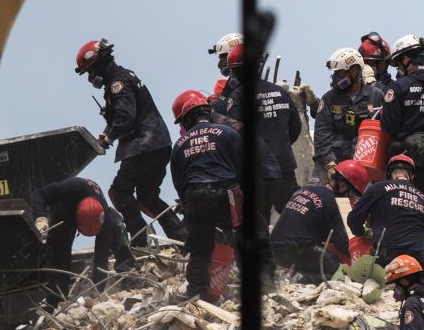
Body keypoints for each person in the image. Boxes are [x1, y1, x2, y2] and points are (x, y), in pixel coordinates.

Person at [74, 39, 186, 246]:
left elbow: (125, 116)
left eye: (90, 72)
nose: (90, 79)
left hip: (143, 146)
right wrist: (108, 131)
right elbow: (124, 114)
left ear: (98, 65)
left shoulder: (117, 83)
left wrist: (108, 138)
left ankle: (140, 241)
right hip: (159, 144)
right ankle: (182, 237)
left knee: (119, 191)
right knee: (147, 196)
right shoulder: (125, 76)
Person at [169, 90, 249, 300]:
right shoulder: (228, 133)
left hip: (196, 196)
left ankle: (196, 291)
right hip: (228, 191)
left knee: (199, 247)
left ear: (187, 120)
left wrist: (187, 203)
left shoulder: (179, 144)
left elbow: (179, 181)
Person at [219, 43, 302, 220]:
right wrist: (281, 144)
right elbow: (296, 127)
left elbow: (234, 134)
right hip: (284, 166)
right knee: (296, 216)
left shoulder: (237, 97)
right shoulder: (280, 92)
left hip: (258, 172)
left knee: (258, 223)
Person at [380, 35, 424, 221]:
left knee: (405, 209)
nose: (398, 68)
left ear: (405, 59)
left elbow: (389, 126)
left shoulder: (396, 88)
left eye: (398, 63)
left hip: (405, 162)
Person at [31, 177, 135, 297]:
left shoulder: (105, 218)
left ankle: (127, 273)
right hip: (62, 209)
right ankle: (57, 299)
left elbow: (101, 256)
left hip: (90, 212)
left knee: (116, 225)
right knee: (60, 254)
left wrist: (97, 290)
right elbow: (39, 195)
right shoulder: (71, 187)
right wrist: (40, 218)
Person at [347, 155, 424, 268]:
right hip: (418, 261)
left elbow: (353, 220)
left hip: (389, 260)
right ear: (411, 176)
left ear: (388, 174)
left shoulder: (378, 188)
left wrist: (364, 233)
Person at [313, 47, 384, 168]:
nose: (336, 78)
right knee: (314, 185)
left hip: (365, 165)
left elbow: (384, 132)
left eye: (340, 73)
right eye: (335, 73)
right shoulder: (329, 99)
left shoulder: (376, 95)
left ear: (355, 70)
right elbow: (322, 134)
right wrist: (330, 164)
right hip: (334, 164)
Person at [270, 183, 351, 283]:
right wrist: (361, 255)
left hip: (274, 244)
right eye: (352, 195)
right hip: (296, 249)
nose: (351, 199)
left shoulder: (305, 188)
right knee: (337, 270)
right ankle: (297, 280)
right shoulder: (333, 201)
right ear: (343, 186)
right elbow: (341, 242)